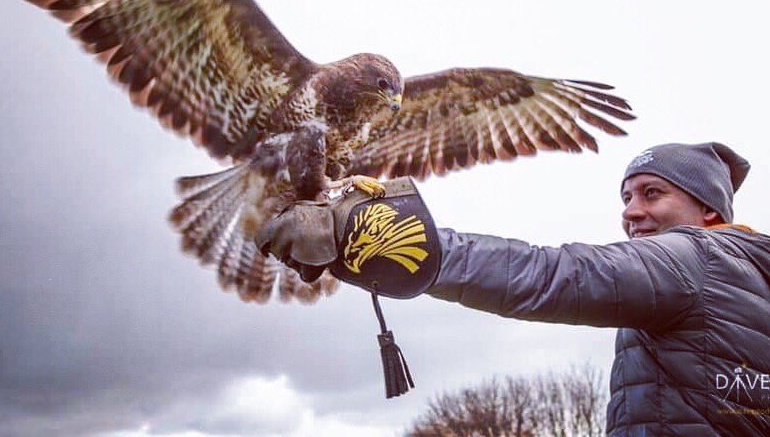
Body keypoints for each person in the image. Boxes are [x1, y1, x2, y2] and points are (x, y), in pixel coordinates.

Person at [257, 142, 770, 436]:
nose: (630, 211)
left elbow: (553, 275)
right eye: (627, 195)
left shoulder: (692, 257)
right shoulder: (752, 276)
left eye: (652, 193)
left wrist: (401, 241)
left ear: (709, 210)